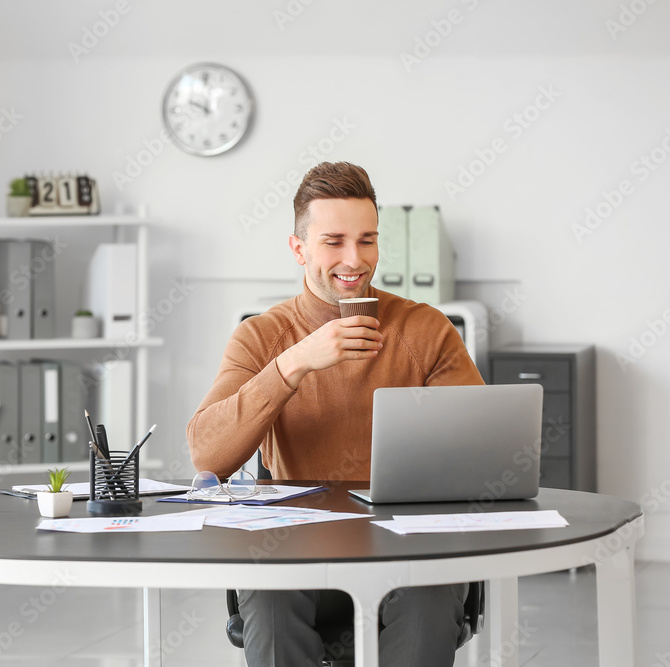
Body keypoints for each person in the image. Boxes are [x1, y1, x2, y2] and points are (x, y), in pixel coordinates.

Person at [186, 161, 484, 666]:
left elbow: (482, 447)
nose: (355, 258)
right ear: (298, 248)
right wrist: (295, 363)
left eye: (367, 240)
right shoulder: (260, 337)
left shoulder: (427, 329)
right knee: (272, 591)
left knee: (431, 592)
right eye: (334, 241)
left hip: (405, 550)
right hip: (297, 552)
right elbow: (207, 453)